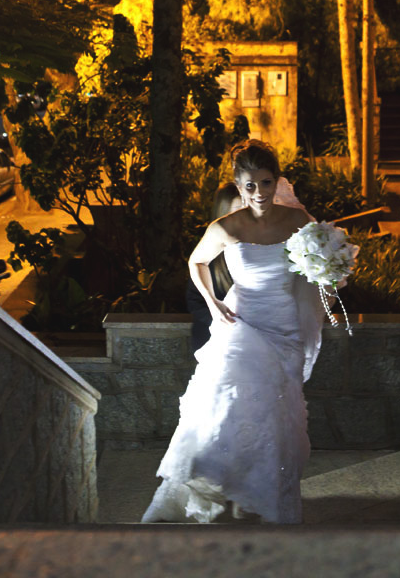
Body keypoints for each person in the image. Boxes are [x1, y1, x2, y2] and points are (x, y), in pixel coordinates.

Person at [142, 140, 323, 524]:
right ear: (239, 187)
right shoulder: (225, 226)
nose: (259, 193)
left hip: (284, 329)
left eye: (266, 182)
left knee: (275, 414)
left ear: (277, 181)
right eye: (250, 185)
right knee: (232, 407)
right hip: (241, 324)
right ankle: (226, 484)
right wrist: (212, 302)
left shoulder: (299, 221)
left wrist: (328, 269)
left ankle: (258, 494)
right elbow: (197, 262)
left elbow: (316, 265)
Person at [184, 182, 242, 353]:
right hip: (215, 339)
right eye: (238, 209)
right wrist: (219, 317)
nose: (245, 214)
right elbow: (194, 300)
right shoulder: (210, 251)